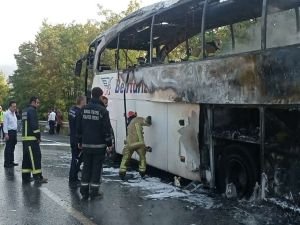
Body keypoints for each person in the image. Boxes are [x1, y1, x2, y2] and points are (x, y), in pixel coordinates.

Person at [77, 87, 113, 199]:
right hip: (99, 146)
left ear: (91, 95)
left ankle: (83, 191)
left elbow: (79, 127)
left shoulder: (83, 109)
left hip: (86, 145)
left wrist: (79, 141)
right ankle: (94, 192)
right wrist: (109, 144)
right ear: (101, 96)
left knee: (86, 167)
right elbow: (106, 129)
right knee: (96, 169)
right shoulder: (103, 111)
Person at [22, 96, 48, 184]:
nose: (39, 104)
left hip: (25, 139)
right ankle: (38, 177)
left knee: (26, 159)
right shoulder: (32, 110)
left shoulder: (25, 110)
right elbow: (34, 126)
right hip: (32, 139)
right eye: (38, 102)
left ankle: (26, 177)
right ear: (33, 102)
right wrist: (38, 137)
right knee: (35, 158)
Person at [119, 111, 152, 180]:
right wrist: (149, 119)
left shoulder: (128, 125)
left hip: (129, 144)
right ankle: (142, 172)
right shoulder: (138, 119)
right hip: (140, 144)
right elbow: (147, 123)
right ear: (135, 115)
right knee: (142, 157)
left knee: (125, 158)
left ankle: (122, 173)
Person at [68, 96, 86, 185]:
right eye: (85, 101)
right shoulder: (79, 113)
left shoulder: (72, 110)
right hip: (77, 140)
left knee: (74, 158)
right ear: (81, 101)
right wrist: (80, 141)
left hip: (72, 137)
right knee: (76, 160)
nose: (86, 103)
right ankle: (73, 178)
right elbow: (79, 128)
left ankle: (73, 177)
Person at [3, 101, 18, 168]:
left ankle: (11, 162)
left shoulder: (14, 113)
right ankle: (6, 163)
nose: (15, 108)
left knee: (12, 148)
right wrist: (6, 134)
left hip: (14, 132)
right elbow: (5, 124)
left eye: (15, 106)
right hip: (9, 132)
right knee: (8, 148)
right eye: (13, 106)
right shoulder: (6, 114)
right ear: (10, 106)